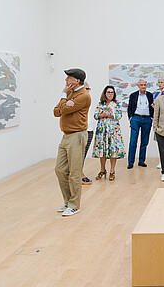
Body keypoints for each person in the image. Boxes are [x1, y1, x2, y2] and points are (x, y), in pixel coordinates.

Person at [53, 68, 92, 217]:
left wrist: (64, 97)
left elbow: (63, 110)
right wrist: (65, 98)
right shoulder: (70, 93)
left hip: (77, 136)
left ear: (77, 80)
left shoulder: (84, 96)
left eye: (68, 77)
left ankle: (74, 205)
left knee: (75, 172)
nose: (66, 80)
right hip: (66, 136)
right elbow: (56, 111)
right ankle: (68, 202)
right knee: (60, 170)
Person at [92, 85, 126, 181]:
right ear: (105, 93)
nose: (110, 94)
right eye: (108, 92)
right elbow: (95, 115)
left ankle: (112, 171)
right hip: (102, 131)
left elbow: (119, 115)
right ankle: (102, 170)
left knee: (113, 150)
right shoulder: (100, 104)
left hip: (113, 131)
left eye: (112, 92)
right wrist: (102, 115)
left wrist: (110, 114)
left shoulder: (116, 104)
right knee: (102, 150)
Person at [126, 79, 154, 169]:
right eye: (141, 85)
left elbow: (152, 107)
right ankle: (131, 162)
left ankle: (141, 161)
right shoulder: (133, 95)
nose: (143, 86)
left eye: (145, 85)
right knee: (133, 141)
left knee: (144, 141)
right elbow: (129, 108)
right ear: (138, 86)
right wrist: (131, 118)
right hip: (136, 118)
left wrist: (151, 118)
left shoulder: (150, 95)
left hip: (147, 119)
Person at [81, 82, 94, 185]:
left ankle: (79, 173)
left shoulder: (87, 100)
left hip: (90, 130)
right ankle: (79, 175)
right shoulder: (78, 100)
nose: (88, 91)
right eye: (86, 89)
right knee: (79, 155)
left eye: (88, 89)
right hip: (82, 131)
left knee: (83, 154)